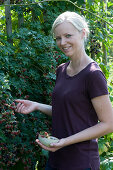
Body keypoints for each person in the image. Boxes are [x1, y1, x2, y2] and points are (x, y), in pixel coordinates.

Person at [15, 11, 113, 170]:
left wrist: (65, 142)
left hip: (80, 162)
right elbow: (69, 113)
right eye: (58, 38)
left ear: (83, 33)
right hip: (56, 160)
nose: (62, 42)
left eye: (68, 35)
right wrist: (36, 105)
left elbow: (109, 124)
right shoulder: (61, 69)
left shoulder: (93, 75)